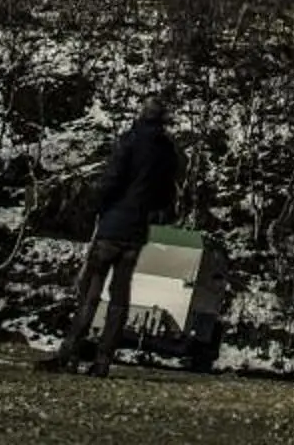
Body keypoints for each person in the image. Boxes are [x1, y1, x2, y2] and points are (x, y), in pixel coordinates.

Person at [40, 91, 183, 375]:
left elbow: (112, 179)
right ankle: (103, 361)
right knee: (119, 298)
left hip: (112, 226)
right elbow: (167, 196)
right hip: (136, 231)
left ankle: (69, 354)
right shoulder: (168, 152)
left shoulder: (129, 141)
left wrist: (96, 204)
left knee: (90, 293)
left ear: (142, 115)